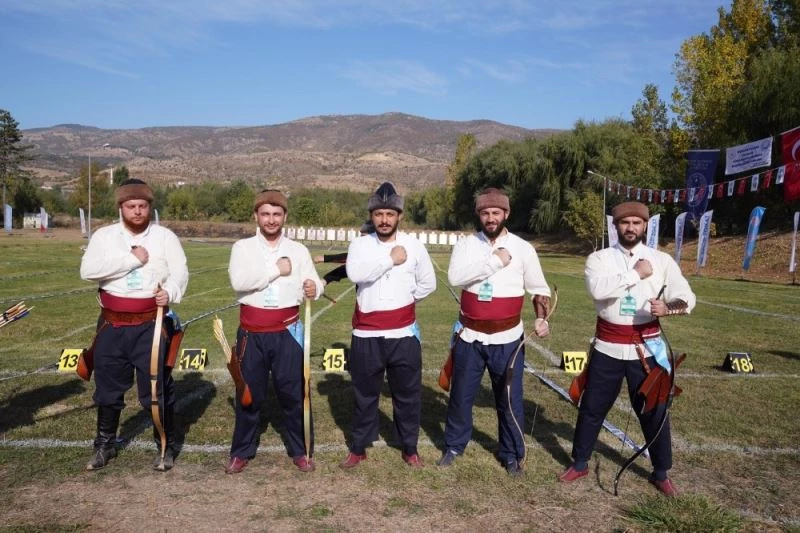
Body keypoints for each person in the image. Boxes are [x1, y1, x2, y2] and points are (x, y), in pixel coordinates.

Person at [559, 201, 696, 497]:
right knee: (593, 407)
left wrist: (668, 307)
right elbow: (598, 290)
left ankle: (661, 472)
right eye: (625, 223)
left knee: (655, 409)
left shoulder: (662, 261)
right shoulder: (599, 258)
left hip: (647, 349)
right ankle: (580, 462)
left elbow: (686, 296)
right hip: (607, 347)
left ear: (645, 226)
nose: (631, 227)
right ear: (615, 226)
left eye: (636, 222)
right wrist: (636, 274)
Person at [437, 187, 551, 476]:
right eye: (485, 213)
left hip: (508, 338)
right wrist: (496, 261)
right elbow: (455, 277)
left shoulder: (523, 248)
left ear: (506, 214)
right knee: (461, 395)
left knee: (509, 398)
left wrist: (541, 318)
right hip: (470, 336)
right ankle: (453, 445)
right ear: (479, 214)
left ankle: (511, 453)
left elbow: (539, 289)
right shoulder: (466, 245)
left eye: (496, 212)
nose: (490, 218)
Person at [79, 178, 189, 471]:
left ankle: (164, 445)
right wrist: (130, 259)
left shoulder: (165, 237)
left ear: (149, 207)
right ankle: (104, 445)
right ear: (121, 207)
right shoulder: (104, 236)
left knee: (155, 390)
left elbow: (180, 273)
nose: (137, 211)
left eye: (142, 206)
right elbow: (88, 270)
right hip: (112, 326)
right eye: (131, 206)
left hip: (150, 325)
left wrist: (172, 292)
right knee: (107, 389)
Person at [225, 189, 324, 474]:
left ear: (285, 217)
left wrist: (312, 288)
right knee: (248, 394)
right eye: (265, 214)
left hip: (288, 331)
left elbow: (314, 283)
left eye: (276, 214)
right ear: (256, 216)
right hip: (252, 332)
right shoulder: (242, 248)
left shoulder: (298, 250)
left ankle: (301, 450)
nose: (271, 220)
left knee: (294, 393)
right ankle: (241, 451)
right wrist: (275, 270)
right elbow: (240, 281)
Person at [339, 182, 436, 468]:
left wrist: (403, 302)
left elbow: (427, 284)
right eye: (378, 213)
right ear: (371, 215)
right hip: (366, 334)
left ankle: (409, 447)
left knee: (407, 394)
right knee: (364, 394)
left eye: (390, 214)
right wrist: (389, 260)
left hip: (403, 334)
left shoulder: (415, 246)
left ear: (399, 216)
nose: (384, 220)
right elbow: (356, 273)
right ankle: (359, 446)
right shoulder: (360, 244)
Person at [313, 220, 375, 286]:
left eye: (363, 236)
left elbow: (351, 258)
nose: (360, 239)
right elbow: (348, 268)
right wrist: (326, 279)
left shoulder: (378, 253)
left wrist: (325, 258)